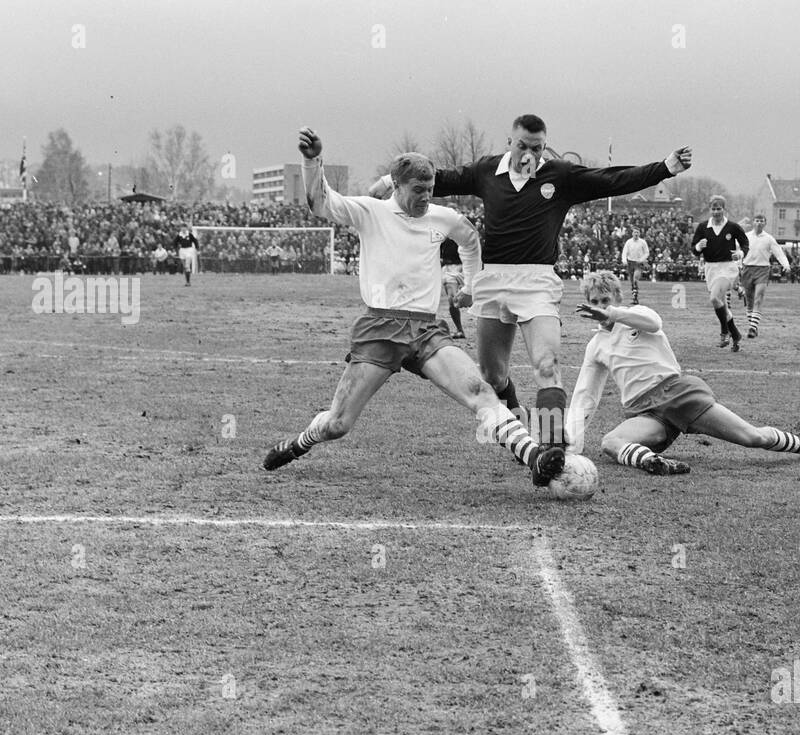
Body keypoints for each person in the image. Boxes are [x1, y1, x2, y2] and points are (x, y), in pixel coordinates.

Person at [373, 114, 692, 458]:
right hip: (493, 280)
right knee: (492, 379)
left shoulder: (560, 175)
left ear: (545, 146)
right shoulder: (486, 171)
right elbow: (440, 179)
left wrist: (665, 168)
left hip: (537, 281)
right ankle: (515, 415)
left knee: (547, 365)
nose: (529, 154)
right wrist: (389, 181)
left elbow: (611, 180)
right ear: (509, 142)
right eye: (522, 145)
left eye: (537, 148)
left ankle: (552, 447)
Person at [262, 127, 564, 488]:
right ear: (396, 186)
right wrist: (311, 162)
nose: (426, 197)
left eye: (430, 189)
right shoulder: (370, 212)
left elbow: (469, 242)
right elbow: (320, 202)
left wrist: (471, 286)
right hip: (379, 330)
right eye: (418, 190)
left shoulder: (442, 218)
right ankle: (301, 441)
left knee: (479, 389)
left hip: (425, 331)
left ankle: (535, 457)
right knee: (338, 425)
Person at [565, 271, 800, 474]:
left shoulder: (635, 315)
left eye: (605, 299)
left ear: (617, 298)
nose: (600, 306)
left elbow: (654, 322)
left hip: (678, 394)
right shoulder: (595, 346)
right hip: (645, 413)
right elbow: (584, 396)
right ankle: (654, 463)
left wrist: (613, 314)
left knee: (753, 438)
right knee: (610, 442)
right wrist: (571, 448)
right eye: (595, 302)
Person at [691, 197, 750, 350]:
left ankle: (724, 331)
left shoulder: (732, 227)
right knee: (720, 304)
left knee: (714, 298)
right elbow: (693, 250)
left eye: (719, 209)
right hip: (710, 269)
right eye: (713, 209)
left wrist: (741, 253)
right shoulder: (703, 227)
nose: (716, 212)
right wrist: (698, 247)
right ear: (710, 210)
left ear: (724, 209)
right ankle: (736, 334)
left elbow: (745, 244)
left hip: (727, 269)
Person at [738, 212, 792, 339]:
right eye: (757, 220)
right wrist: (735, 264)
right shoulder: (745, 237)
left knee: (758, 298)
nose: (759, 223)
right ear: (753, 222)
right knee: (750, 301)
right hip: (747, 269)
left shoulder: (769, 238)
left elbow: (779, 253)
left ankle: (752, 328)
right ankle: (753, 324)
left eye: (761, 221)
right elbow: (737, 251)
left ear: (765, 223)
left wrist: (786, 265)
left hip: (762, 269)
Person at [439, 236, 468, 339]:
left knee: (476, 299)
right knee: (452, 299)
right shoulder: (441, 231)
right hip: (449, 269)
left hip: (466, 267)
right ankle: (460, 330)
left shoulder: (463, 228)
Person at [620, 227, 650, 304]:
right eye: (635, 232)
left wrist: (642, 259)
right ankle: (635, 297)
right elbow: (624, 251)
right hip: (630, 262)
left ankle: (635, 298)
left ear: (639, 233)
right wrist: (624, 260)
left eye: (637, 232)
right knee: (632, 281)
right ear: (632, 233)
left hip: (638, 263)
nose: (636, 234)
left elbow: (647, 252)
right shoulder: (629, 242)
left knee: (635, 278)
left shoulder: (642, 242)